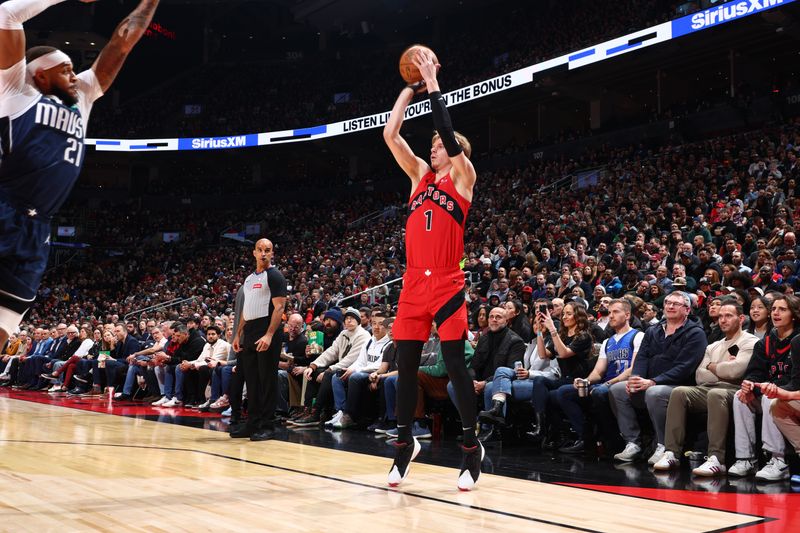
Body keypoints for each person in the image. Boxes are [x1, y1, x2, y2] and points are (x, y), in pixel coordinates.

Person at [0, 0, 160, 349]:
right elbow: (6, 12)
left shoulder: (82, 97)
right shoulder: (14, 88)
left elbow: (122, 41)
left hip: (38, 226)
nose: (76, 75)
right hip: (4, 206)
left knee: (4, 325)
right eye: (66, 69)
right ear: (40, 74)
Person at [382, 47, 483, 490]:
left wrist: (435, 85)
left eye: (442, 144)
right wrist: (410, 87)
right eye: (434, 145)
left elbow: (444, 124)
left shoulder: (464, 178)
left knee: (457, 368)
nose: (435, 146)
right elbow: (391, 134)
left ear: (457, 150)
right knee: (405, 367)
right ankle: (404, 445)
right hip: (412, 283)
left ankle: (470, 446)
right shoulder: (419, 177)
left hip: (446, 281)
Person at [653, 301, 758, 476]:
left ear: (741, 318)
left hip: (737, 390)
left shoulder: (751, 341)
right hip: (708, 388)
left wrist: (712, 366)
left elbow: (736, 371)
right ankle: (671, 453)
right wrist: (722, 368)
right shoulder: (712, 346)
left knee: (716, 394)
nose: (723, 320)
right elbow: (700, 376)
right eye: (721, 316)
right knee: (679, 392)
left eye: (728, 316)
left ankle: (716, 459)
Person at [610, 291, 708, 464]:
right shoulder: (653, 330)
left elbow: (685, 367)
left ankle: (664, 445)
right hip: (649, 383)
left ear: (687, 310)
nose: (670, 306)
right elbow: (642, 357)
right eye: (668, 302)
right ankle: (633, 442)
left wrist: (654, 381)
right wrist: (635, 378)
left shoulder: (695, 333)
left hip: (680, 386)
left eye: (675, 304)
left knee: (655, 393)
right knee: (618, 389)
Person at [554, 299, 643, 454]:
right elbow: (598, 371)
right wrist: (586, 380)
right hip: (605, 384)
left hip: (624, 385)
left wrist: (609, 383)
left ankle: (614, 441)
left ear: (627, 315)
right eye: (609, 313)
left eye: (616, 312)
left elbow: (634, 368)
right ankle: (586, 438)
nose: (611, 316)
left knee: (599, 392)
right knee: (564, 392)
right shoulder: (608, 342)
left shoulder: (638, 336)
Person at [729, 294, 799, 481]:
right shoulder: (765, 342)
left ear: (793, 315)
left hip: (791, 395)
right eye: (774, 309)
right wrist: (750, 384)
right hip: (770, 391)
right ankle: (745, 459)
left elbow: (794, 380)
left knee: (770, 396)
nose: (776, 313)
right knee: (740, 396)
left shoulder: (797, 341)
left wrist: (769, 388)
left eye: (782, 309)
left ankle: (778, 460)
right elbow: (754, 372)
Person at [230, 238, 287, 441]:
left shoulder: (275, 276)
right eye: (260, 250)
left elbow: (279, 308)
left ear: (272, 253)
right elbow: (247, 310)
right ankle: (252, 422)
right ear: (254, 252)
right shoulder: (248, 279)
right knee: (252, 379)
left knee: (266, 380)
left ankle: (268, 425)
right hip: (251, 330)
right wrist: (238, 333)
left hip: (267, 329)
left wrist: (270, 335)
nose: (263, 253)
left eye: (268, 250)